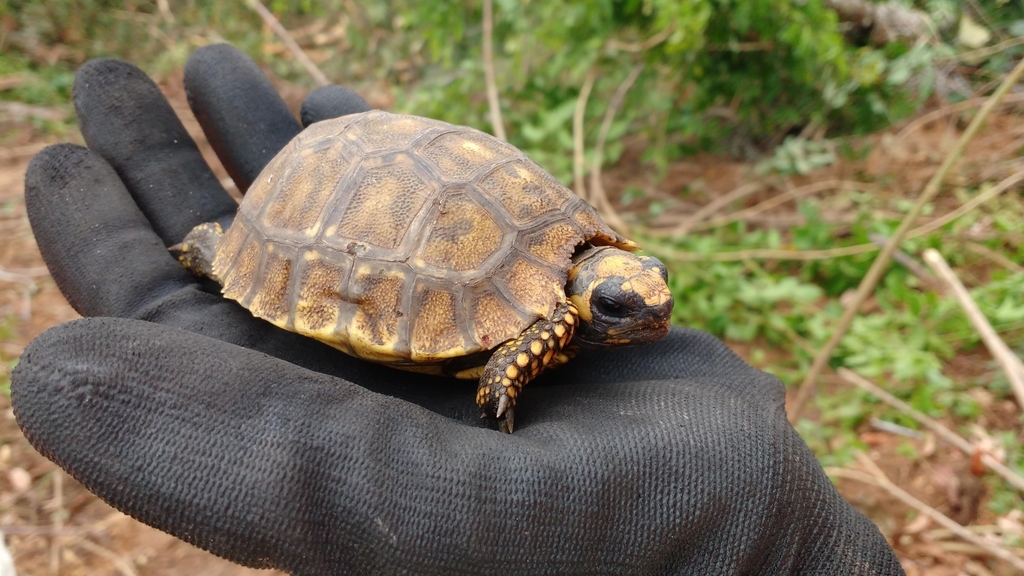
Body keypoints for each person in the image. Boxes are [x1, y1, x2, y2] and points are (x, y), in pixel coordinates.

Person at [12, 44, 904, 575]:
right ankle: (230, 252)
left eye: (647, 300)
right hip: (337, 201)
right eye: (628, 309)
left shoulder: (585, 260)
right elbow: (524, 341)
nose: (649, 315)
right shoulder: (556, 315)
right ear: (593, 300)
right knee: (226, 263)